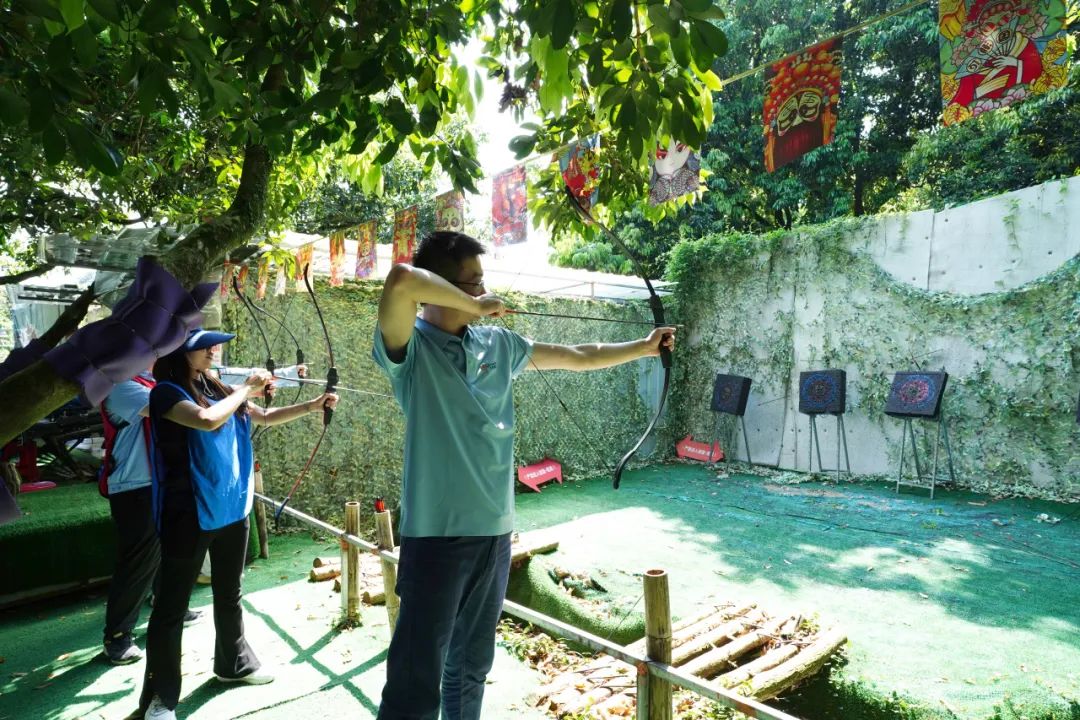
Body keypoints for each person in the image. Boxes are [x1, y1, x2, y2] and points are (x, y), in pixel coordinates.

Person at [373, 231, 676, 720]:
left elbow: (578, 355)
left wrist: (642, 348)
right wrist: (477, 304)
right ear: (442, 287)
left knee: (470, 668)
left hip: (495, 533)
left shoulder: (497, 342)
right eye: (473, 282)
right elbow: (401, 281)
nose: (482, 290)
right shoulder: (410, 349)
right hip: (436, 538)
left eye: (482, 282)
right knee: (415, 681)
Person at [139, 328, 339, 720]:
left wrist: (313, 405)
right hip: (188, 513)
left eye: (213, 344)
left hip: (231, 506)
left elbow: (263, 416)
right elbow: (206, 420)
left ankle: (234, 665)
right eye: (204, 345)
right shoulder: (165, 393)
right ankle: (160, 697)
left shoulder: (213, 384)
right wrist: (246, 388)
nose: (213, 350)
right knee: (171, 607)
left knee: (229, 592)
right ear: (180, 352)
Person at [99, 367, 205, 666]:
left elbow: (207, 383)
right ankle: (117, 636)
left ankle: (166, 602)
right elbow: (173, 407)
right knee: (138, 561)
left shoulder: (151, 382)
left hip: (161, 480)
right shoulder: (121, 387)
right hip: (134, 486)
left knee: (170, 548)